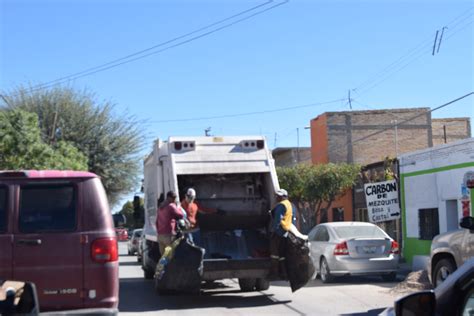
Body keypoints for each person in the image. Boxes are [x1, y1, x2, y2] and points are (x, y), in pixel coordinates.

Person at [269, 188, 295, 279]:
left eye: (278, 196)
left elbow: (277, 220)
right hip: (286, 232)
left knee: (274, 254)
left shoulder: (281, 205)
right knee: (282, 255)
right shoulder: (289, 205)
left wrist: (273, 231)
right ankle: (284, 274)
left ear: (283, 197)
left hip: (279, 232)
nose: (276, 197)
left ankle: (274, 273)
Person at [156, 190, 184, 255]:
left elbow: (156, 221)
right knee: (170, 256)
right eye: (174, 198)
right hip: (168, 236)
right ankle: (170, 265)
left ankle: (163, 265)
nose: (175, 199)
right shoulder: (171, 206)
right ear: (169, 197)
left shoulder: (160, 207)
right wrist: (178, 207)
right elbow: (181, 215)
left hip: (160, 236)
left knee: (164, 257)